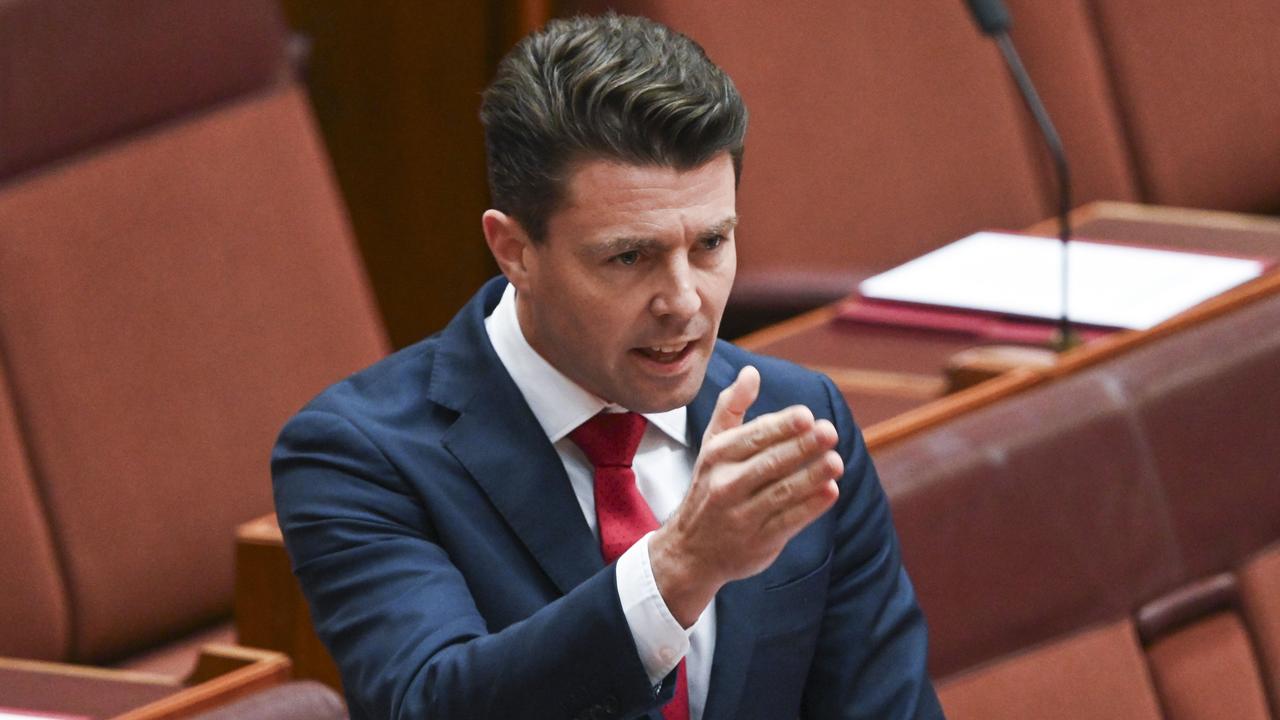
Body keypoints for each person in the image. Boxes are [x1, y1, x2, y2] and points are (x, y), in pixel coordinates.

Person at [273, 12, 943, 720]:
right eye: (630, 256)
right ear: (514, 251)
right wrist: (680, 568)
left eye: (711, 243)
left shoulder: (797, 419)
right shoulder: (359, 455)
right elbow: (433, 705)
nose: (684, 301)